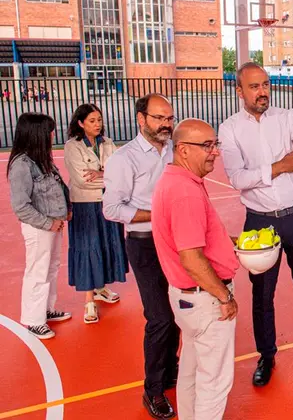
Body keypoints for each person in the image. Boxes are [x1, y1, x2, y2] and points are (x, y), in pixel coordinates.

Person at [218, 62, 293, 386]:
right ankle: (266, 357)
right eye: (254, 86)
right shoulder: (229, 129)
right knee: (262, 295)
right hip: (258, 223)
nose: (262, 92)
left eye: (266, 85)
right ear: (239, 91)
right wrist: (278, 167)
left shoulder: (287, 117)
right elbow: (237, 179)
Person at [152, 119, 239, 420]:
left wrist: (227, 243)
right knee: (214, 381)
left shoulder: (176, 181)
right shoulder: (185, 192)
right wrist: (224, 297)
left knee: (190, 371)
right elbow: (190, 257)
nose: (214, 152)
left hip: (186, 299)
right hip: (205, 299)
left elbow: (192, 240)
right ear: (184, 150)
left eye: (215, 144)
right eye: (207, 146)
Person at [103, 93, 179, 419]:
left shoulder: (175, 150)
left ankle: (171, 368)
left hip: (176, 241)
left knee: (179, 308)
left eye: (169, 118)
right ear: (141, 119)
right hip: (144, 243)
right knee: (160, 316)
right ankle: (153, 391)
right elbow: (111, 209)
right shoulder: (125, 159)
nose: (165, 124)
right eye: (159, 118)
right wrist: (156, 214)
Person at [8, 113, 72, 339]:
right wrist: (48, 222)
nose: (52, 135)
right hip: (40, 228)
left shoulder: (42, 160)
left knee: (51, 266)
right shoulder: (22, 166)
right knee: (38, 270)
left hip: (53, 225)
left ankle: (46, 308)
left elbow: (58, 186)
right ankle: (33, 320)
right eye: (49, 131)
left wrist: (66, 210)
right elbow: (21, 206)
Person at [63, 104, 127, 324]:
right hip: (85, 206)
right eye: (92, 120)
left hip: (108, 203)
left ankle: (100, 287)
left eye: (99, 119)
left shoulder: (108, 143)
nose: (97, 124)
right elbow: (82, 180)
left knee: (107, 244)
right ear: (80, 123)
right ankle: (89, 299)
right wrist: (109, 178)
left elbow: (120, 175)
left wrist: (100, 174)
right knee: (88, 247)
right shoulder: (73, 146)